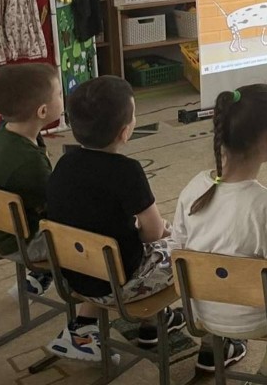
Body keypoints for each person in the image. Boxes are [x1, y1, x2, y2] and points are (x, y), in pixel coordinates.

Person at [172, 84, 267, 380]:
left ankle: (211, 349)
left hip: (202, 312)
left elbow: (177, 251)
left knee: (212, 267)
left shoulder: (194, 187)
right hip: (258, 317)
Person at [46, 76, 189, 354]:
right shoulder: (128, 171)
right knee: (184, 244)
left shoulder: (64, 163)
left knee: (109, 245)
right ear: (125, 132)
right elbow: (153, 232)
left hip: (75, 274)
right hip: (119, 284)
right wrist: (164, 233)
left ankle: (110, 324)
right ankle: (155, 321)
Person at [0, 63, 103, 362]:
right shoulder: (27, 163)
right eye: (59, 93)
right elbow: (61, 206)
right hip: (25, 241)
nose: (63, 96)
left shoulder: (4, 136)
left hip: (5, 233)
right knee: (100, 239)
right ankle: (82, 331)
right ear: (43, 111)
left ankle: (37, 276)